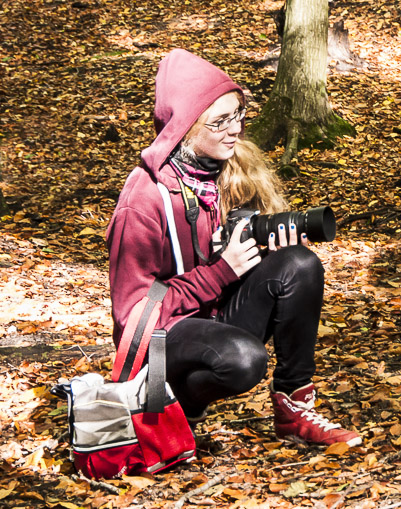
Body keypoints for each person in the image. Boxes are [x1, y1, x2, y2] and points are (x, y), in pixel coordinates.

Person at [106, 49, 360, 447]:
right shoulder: (143, 200)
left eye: (238, 115)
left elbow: (238, 262)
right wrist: (221, 272)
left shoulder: (228, 170)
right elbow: (133, 317)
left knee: (300, 264)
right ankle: (177, 409)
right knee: (244, 360)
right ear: (185, 126)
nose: (235, 130)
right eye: (219, 121)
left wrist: (272, 250)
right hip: (163, 342)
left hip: (216, 315)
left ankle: (294, 407)